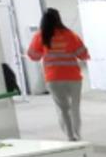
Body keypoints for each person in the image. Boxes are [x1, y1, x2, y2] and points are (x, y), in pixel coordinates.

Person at [26, 8, 89, 141]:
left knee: (63, 108)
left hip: (53, 78)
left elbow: (33, 56)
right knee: (74, 107)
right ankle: (77, 133)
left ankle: (70, 135)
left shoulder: (41, 36)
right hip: (73, 78)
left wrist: (45, 53)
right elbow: (83, 54)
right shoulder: (70, 34)